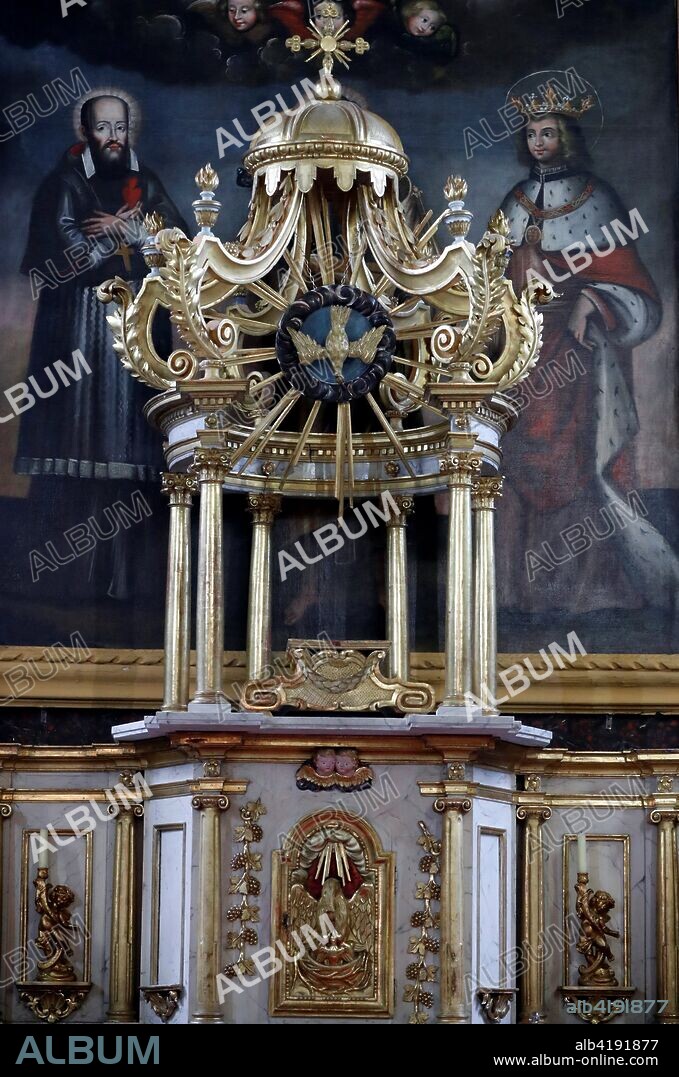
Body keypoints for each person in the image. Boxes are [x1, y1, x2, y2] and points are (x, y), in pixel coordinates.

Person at [492, 84, 679, 623]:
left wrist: (591, 300)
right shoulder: (514, 200)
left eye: (548, 132)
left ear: (566, 137)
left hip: (579, 354)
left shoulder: (597, 198)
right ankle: (518, 595)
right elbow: (491, 278)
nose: (538, 142)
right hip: (523, 350)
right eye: (531, 133)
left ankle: (589, 594)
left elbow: (630, 283)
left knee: (578, 460)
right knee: (516, 455)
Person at [17, 91, 187, 605]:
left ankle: (128, 583)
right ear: (85, 132)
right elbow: (70, 257)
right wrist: (124, 239)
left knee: (131, 455)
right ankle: (67, 585)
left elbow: (177, 245)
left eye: (120, 127)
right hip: (79, 332)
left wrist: (126, 230)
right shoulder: (63, 184)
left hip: (139, 330)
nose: (113, 137)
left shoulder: (147, 182)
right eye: (103, 128)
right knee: (80, 450)